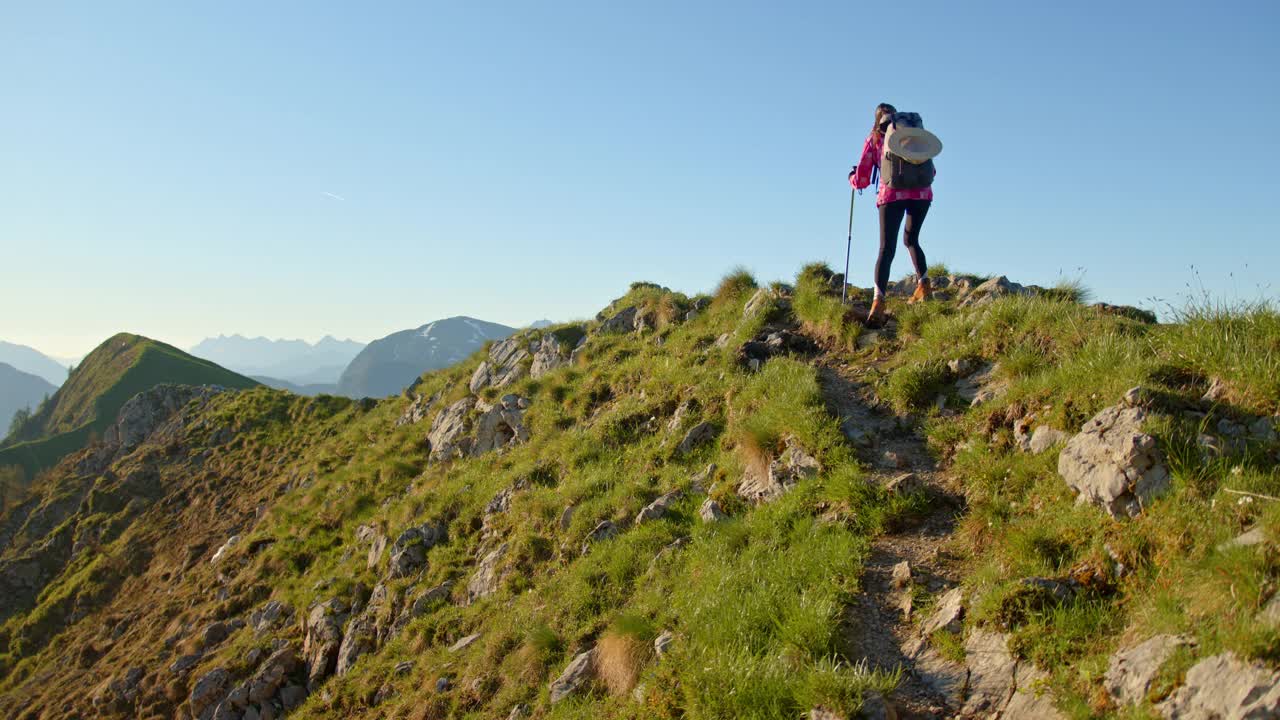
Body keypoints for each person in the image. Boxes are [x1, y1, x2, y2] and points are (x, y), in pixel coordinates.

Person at [849, 102, 935, 324]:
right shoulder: (913, 136)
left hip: (891, 195)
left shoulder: (876, 139)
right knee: (912, 239)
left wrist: (852, 178)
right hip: (922, 194)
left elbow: (863, 178)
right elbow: (932, 170)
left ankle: (878, 303)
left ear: (877, 121)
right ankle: (924, 286)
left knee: (886, 249)